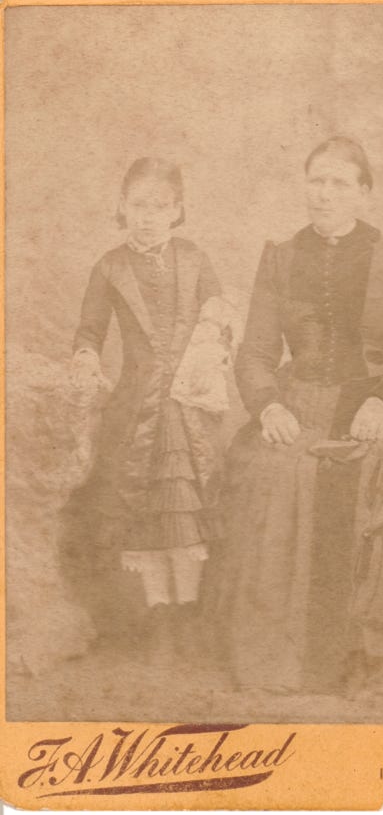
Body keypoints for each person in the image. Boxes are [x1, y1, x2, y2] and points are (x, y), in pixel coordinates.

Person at [215, 137, 383, 697]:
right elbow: (255, 353)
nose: (324, 194)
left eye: (339, 183)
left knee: (368, 477)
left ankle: (351, 658)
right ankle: (277, 660)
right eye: (316, 181)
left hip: (371, 408)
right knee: (274, 469)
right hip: (297, 406)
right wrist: (269, 404)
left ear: (363, 194)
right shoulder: (280, 256)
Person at [61, 157, 236, 657]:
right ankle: (160, 615)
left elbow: (219, 312)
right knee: (146, 511)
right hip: (136, 407)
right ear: (122, 206)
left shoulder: (194, 258)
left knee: (184, 509)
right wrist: (86, 355)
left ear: (177, 210)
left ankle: (187, 614)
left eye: (160, 206)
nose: (148, 216)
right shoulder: (109, 266)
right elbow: (90, 330)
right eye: (138, 205)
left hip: (187, 406)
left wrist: (215, 334)